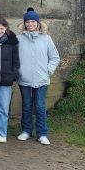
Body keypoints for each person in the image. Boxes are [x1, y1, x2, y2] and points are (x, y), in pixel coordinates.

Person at [17, 8, 60, 146]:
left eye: (33, 21)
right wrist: (18, 71)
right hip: (24, 79)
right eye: (28, 22)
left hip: (42, 79)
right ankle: (26, 131)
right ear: (24, 24)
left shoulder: (46, 39)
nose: (30, 24)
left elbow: (54, 57)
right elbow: (14, 58)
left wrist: (48, 71)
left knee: (40, 106)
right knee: (26, 105)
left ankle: (42, 133)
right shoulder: (19, 39)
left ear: (38, 23)